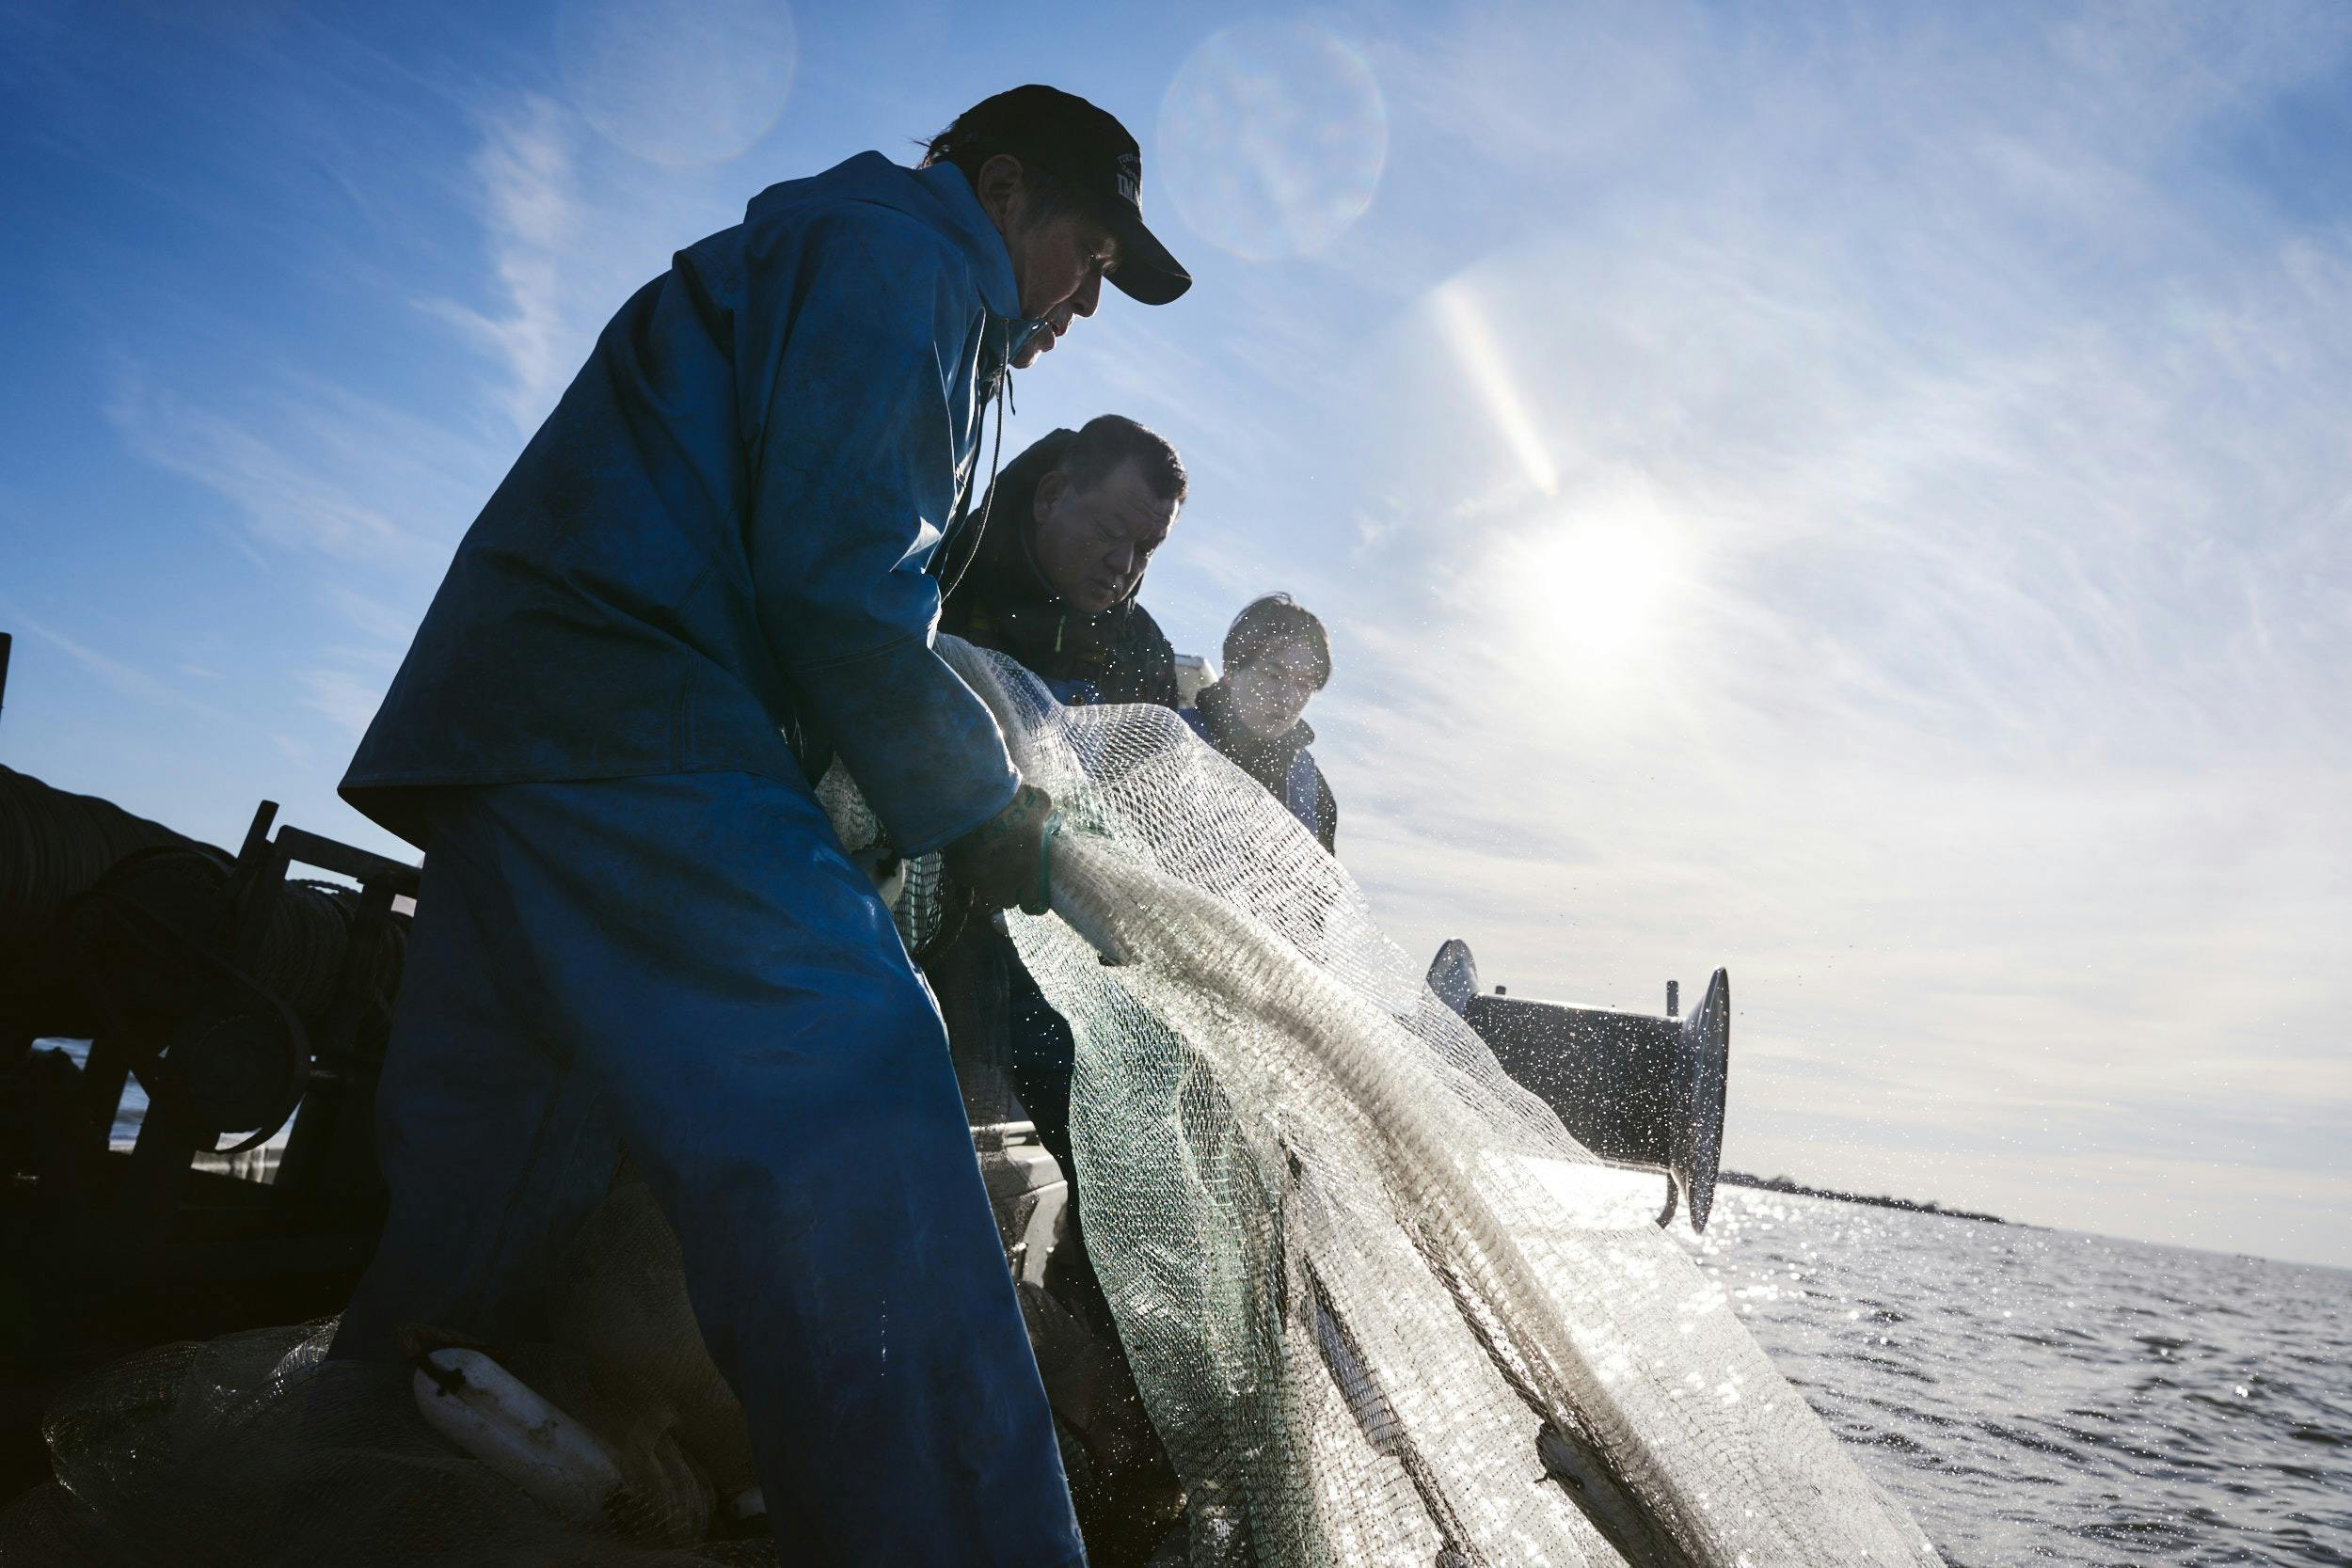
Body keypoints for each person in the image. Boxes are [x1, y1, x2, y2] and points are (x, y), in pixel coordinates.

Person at [328, 85, 1189, 1567]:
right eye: (1088, 254)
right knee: (856, 1065)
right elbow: (836, 585)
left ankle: (352, 1495)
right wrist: (994, 819)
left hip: (513, 723)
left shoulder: (850, 253)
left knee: (498, 1183)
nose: (1086, 300)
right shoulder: (904, 262)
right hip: (633, 705)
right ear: (1001, 193)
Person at [937, 416, 1186, 709]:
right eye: (1111, 531)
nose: (1124, 564)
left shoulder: (1146, 657)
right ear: (1050, 498)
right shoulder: (936, 575)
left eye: (1146, 549)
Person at [1186, 594, 1339, 853]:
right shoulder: (1166, 739)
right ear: (1231, 669)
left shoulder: (1314, 790)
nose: (1288, 698)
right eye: (1273, 675)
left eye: (1304, 685)